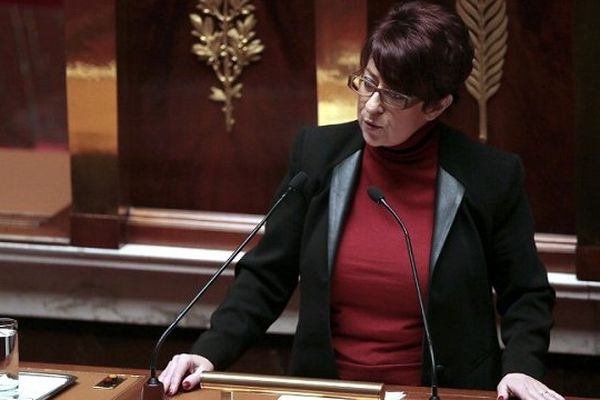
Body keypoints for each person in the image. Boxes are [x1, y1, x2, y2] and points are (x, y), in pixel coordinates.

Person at [160, 1, 563, 399]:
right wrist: (209, 353)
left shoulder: (489, 176)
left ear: (437, 106)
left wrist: (521, 369)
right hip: (327, 390)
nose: (371, 107)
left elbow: (525, 293)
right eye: (368, 83)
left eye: (395, 96)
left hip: (440, 392)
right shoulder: (317, 156)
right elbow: (268, 276)